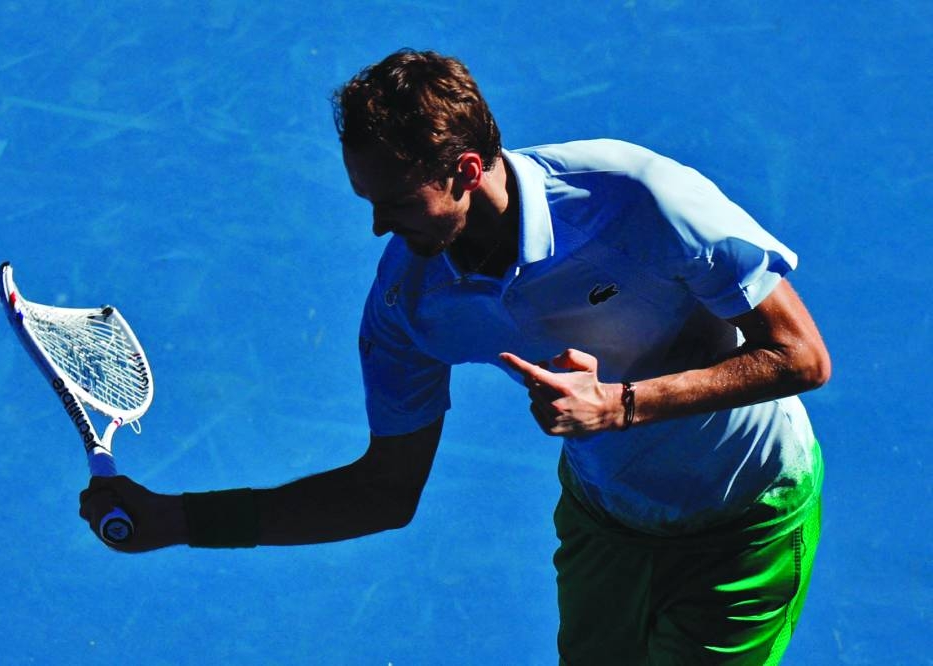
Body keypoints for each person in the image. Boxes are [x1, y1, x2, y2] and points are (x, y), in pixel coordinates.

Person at [81, 49, 831, 664]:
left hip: (748, 517)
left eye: (399, 203)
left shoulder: (636, 197)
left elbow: (801, 357)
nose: (379, 227)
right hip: (607, 522)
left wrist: (620, 406)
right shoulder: (408, 305)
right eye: (369, 202)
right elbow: (384, 492)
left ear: (466, 171)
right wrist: (179, 520)